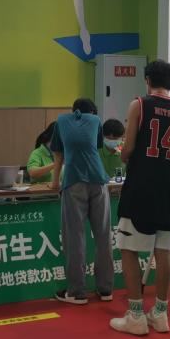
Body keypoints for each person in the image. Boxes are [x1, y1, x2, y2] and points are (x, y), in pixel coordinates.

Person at [110, 60, 170, 337]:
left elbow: (128, 149)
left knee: (128, 249)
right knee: (164, 251)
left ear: (147, 80)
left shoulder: (140, 105)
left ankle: (135, 315)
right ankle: (161, 313)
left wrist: (123, 153)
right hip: (169, 190)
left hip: (141, 188)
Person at [50, 98, 114, 304]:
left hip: (73, 181)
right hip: (98, 180)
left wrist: (55, 181)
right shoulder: (95, 121)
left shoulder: (61, 121)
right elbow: (96, 146)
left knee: (75, 237)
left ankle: (77, 292)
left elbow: (58, 154)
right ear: (92, 111)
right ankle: (106, 290)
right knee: (103, 236)